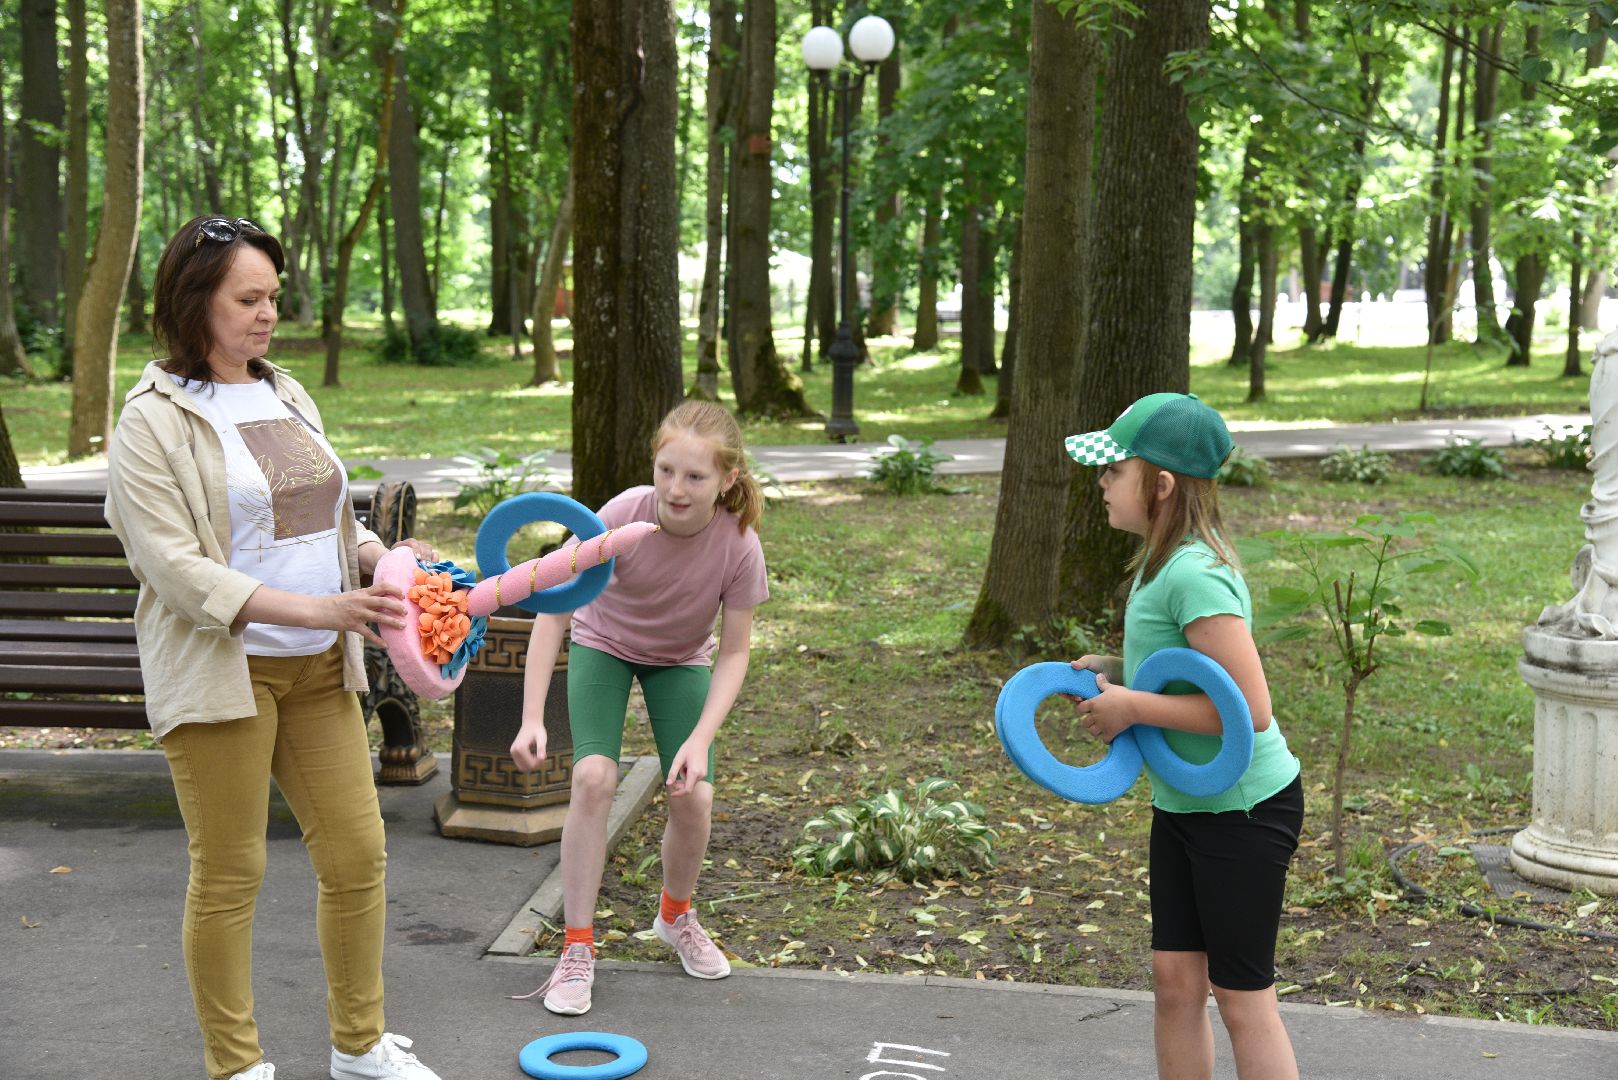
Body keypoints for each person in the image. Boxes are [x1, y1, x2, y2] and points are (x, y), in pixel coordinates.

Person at [105, 215, 443, 1080]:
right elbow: (176, 570)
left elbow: (329, 512)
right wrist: (324, 607)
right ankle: (238, 1066)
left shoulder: (284, 392)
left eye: (273, 298)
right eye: (247, 299)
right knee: (229, 874)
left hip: (318, 668)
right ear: (195, 304)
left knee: (357, 854)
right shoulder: (150, 422)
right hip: (224, 675)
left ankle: (359, 1046)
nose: (267, 315)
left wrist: (381, 557)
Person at [1064, 393, 1303, 1080]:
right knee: (1174, 981)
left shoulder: (1196, 575)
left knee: (1241, 995)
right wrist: (1116, 673)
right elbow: (1185, 677)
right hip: (1185, 807)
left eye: (1114, 470)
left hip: (1246, 810)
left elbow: (1247, 710)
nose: (1102, 483)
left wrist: (1133, 706)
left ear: (1161, 485)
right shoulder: (1160, 564)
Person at [510, 400, 769, 1016]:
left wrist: (701, 738)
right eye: (666, 471)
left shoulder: (738, 543)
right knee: (593, 777)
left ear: (727, 479)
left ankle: (675, 916)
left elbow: (734, 654)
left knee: (694, 793)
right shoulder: (622, 514)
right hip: (604, 642)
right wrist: (530, 716)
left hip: (681, 657)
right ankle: (576, 946)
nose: (676, 490)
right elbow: (555, 605)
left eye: (695, 477)